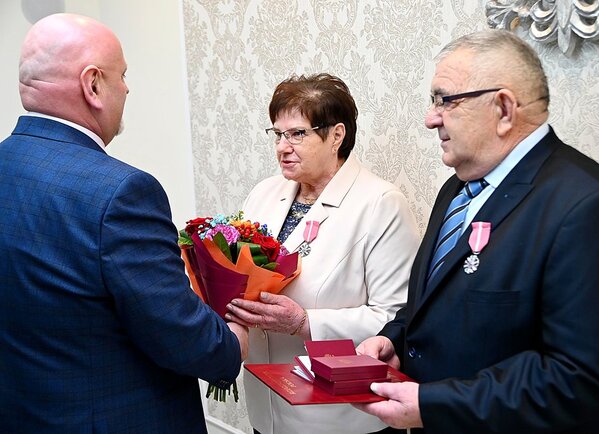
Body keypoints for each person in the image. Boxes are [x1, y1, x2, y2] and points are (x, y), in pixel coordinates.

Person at [355, 29, 599, 433]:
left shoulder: (587, 207)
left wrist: (434, 405)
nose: (430, 118)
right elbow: (441, 305)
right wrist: (395, 340)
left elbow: (582, 382)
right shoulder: (456, 190)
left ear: (504, 109)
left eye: (445, 100)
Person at [0, 13, 248, 434]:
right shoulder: (122, 193)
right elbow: (181, 335)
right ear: (93, 85)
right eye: (123, 75)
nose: (128, 88)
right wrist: (233, 340)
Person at [224, 73, 420, 434]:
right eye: (277, 134)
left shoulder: (380, 204)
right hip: (267, 407)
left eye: (297, 134)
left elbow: (396, 316)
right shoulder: (263, 194)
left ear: (336, 136)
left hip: (338, 413)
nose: (282, 147)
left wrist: (305, 323)